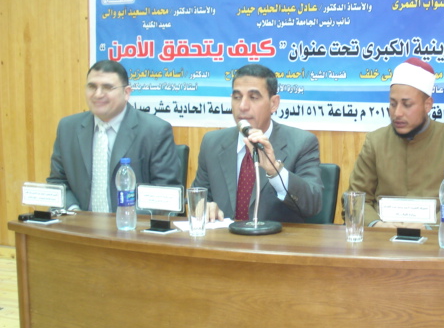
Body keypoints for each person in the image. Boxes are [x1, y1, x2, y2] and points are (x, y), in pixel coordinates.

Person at [347, 57, 444, 229]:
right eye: (393, 104)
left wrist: (430, 227)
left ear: (427, 105)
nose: (397, 113)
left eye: (407, 105)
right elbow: (355, 199)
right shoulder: (375, 142)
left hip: (438, 240)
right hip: (384, 239)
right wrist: (376, 225)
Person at [192, 63, 322, 223]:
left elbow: (312, 205)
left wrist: (275, 170)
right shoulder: (212, 143)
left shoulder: (301, 143)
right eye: (237, 97)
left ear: (273, 103)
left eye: (253, 97)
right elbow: (197, 198)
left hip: (275, 238)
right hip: (223, 237)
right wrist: (204, 206)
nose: (242, 106)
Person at [47, 59, 182, 211]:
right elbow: (57, 183)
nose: (98, 94)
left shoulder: (154, 131)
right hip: (78, 222)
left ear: (126, 93)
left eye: (107, 87)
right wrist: (74, 213)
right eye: (92, 87)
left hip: (133, 223)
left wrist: (126, 217)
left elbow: (165, 193)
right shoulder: (68, 128)